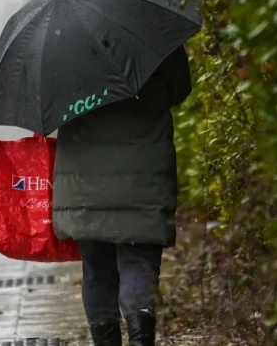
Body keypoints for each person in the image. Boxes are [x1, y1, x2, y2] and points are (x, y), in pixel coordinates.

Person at [52, 46, 192, 346]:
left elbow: (47, 109)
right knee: (139, 261)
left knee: (97, 269)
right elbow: (181, 89)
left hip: (83, 181)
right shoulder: (153, 36)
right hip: (143, 175)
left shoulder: (60, 50)